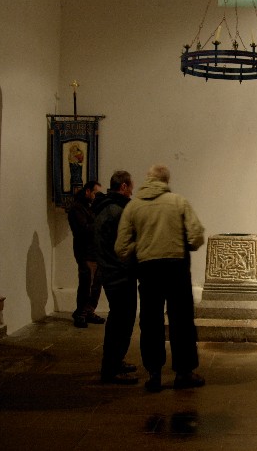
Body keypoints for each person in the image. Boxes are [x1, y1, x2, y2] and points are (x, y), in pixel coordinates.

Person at [115, 164, 205, 392]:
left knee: (151, 322)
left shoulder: (133, 206)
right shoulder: (178, 202)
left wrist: (143, 246)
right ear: (166, 181)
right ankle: (183, 372)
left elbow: (121, 247)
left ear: (147, 180)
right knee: (181, 321)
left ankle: (154, 373)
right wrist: (181, 243)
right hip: (176, 267)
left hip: (148, 270)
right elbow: (196, 236)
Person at [93, 170, 139, 384]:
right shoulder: (117, 211)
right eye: (130, 187)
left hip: (110, 270)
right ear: (123, 187)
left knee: (121, 319)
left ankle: (115, 361)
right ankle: (111, 369)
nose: (132, 191)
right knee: (121, 321)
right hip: (119, 273)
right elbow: (123, 244)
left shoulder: (103, 207)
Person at [67, 180, 106, 328]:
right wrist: (100, 222)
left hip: (95, 252)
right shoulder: (77, 209)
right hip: (85, 253)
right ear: (87, 191)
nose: (96, 196)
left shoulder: (90, 208)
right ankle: (81, 314)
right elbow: (83, 230)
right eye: (95, 193)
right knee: (86, 284)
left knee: (96, 285)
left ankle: (89, 311)